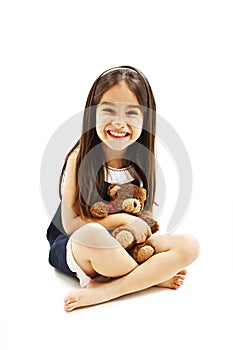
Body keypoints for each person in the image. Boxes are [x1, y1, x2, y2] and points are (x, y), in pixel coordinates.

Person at [46, 65, 199, 312]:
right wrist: (121, 219)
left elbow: (144, 220)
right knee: (93, 233)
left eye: (132, 113)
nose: (119, 122)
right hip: (81, 246)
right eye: (108, 110)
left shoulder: (143, 159)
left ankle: (107, 289)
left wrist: (138, 228)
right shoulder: (80, 158)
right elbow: (71, 225)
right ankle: (150, 278)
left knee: (189, 245)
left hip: (123, 248)